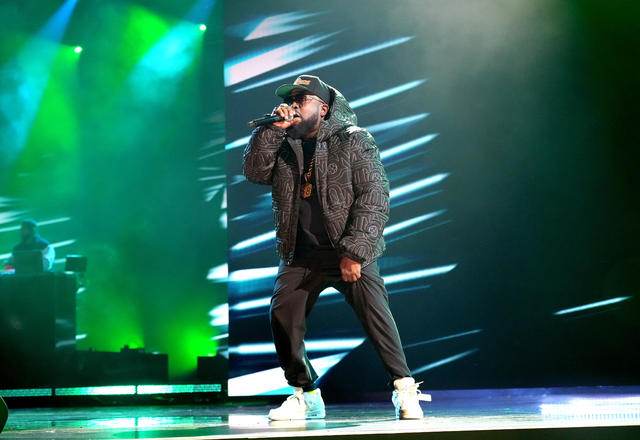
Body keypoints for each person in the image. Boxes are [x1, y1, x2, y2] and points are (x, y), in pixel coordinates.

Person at [243, 74, 429, 420]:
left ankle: (404, 388)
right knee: (283, 317)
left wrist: (355, 250)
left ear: (323, 108)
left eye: (303, 99)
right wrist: (271, 129)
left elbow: (374, 196)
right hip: (301, 253)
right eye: (291, 99)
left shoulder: (353, 140)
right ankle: (306, 393)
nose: (294, 104)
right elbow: (254, 171)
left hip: (346, 250)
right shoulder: (284, 143)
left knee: (376, 319)